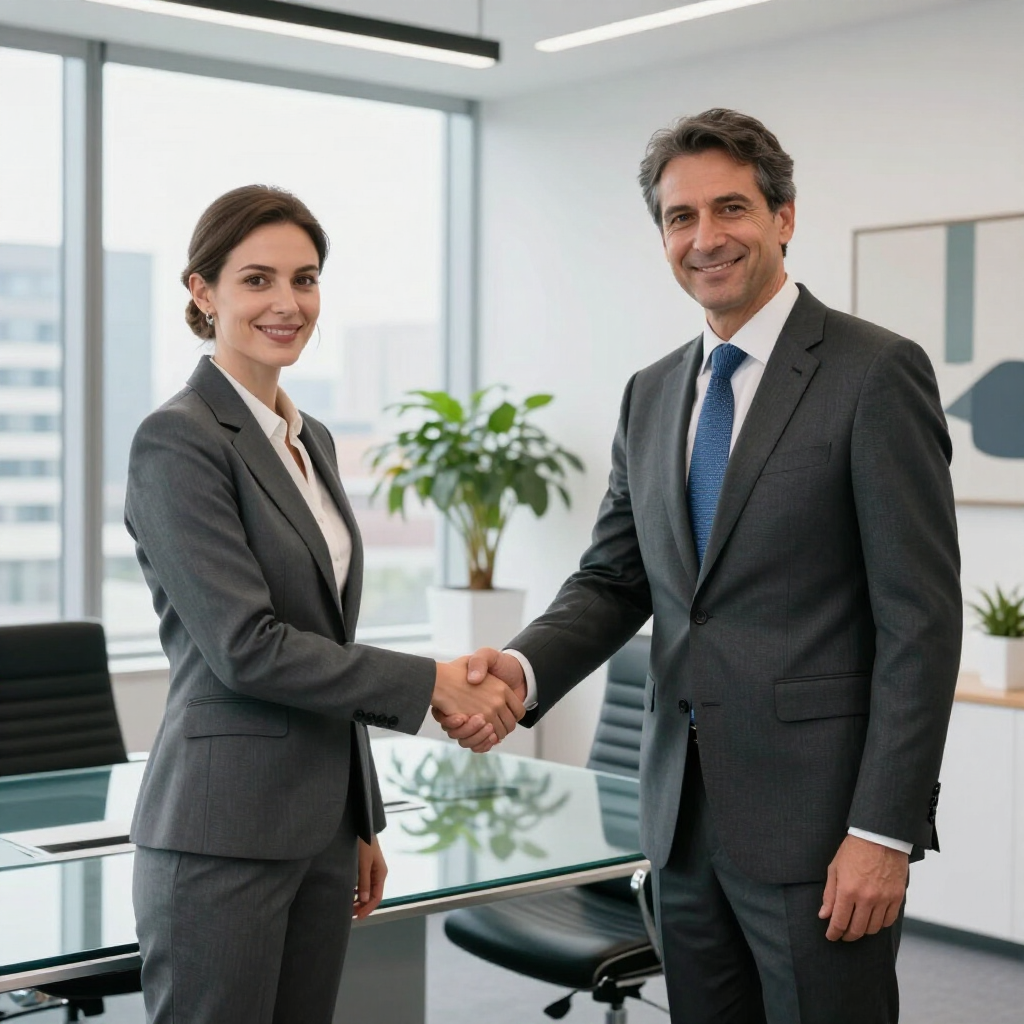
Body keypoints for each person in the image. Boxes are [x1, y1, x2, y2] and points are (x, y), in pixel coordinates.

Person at [438, 109, 962, 1023]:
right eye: (681, 218)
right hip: (679, 820)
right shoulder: (652, 392)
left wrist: (883, 829)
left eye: (731, 209)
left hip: (821, 826)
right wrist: (518, 673)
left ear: (785, 216)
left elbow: (920, 622)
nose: (705, 238)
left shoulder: (874, 373)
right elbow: (614, 580)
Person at [125, 184, 524, 1024]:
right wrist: (432, 685)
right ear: (203, 292)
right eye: (258, 279)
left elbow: (327, 637)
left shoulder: (312, 440)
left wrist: (360, 819)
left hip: (318, 829)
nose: (287, 302)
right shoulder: (179, 439)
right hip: (221, 831)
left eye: (304, 280)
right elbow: (248, 647)